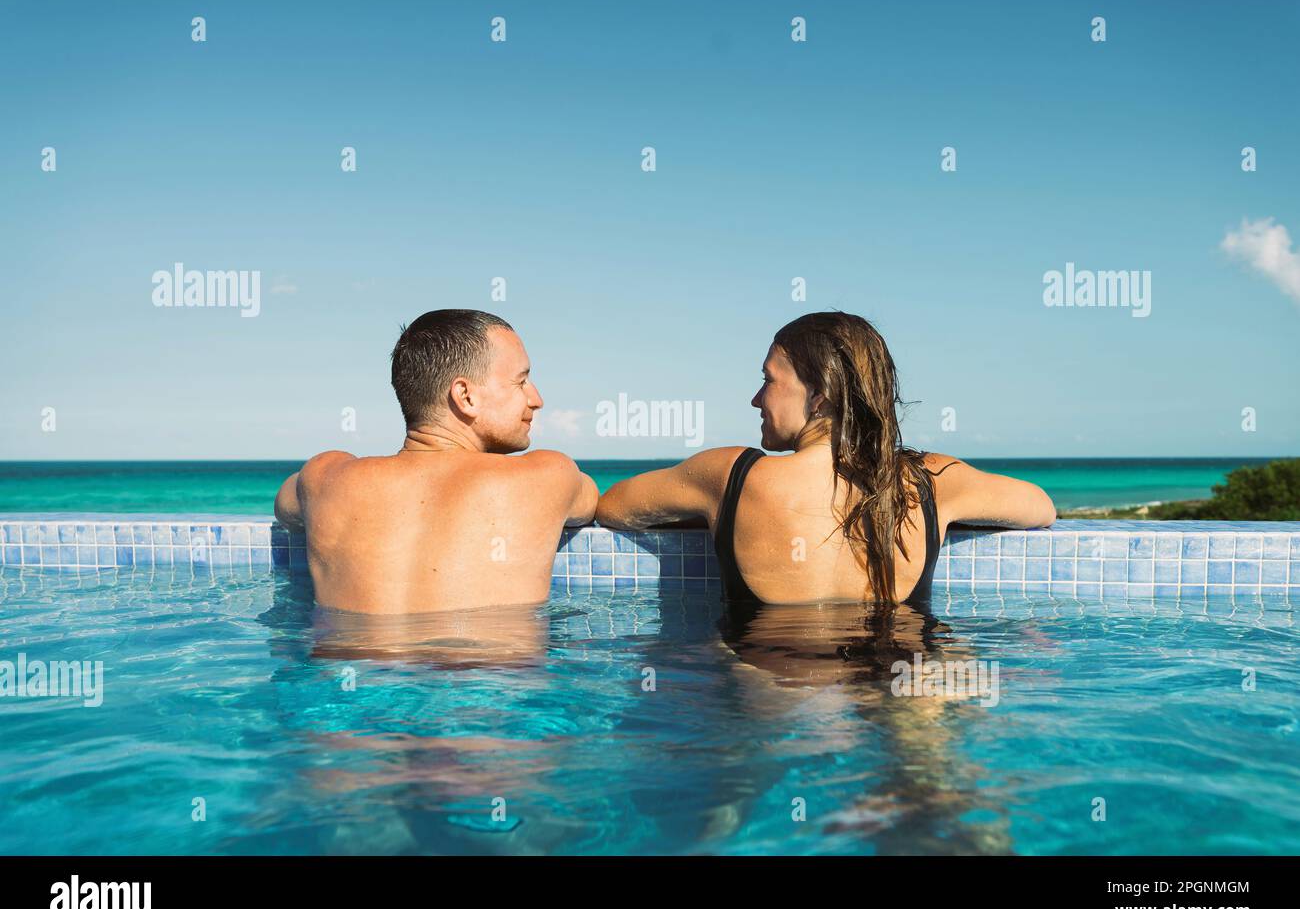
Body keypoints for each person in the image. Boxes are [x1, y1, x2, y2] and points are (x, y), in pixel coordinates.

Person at [595, 311, 1055, 607]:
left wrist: (708, 514)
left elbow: (614, 507)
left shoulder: (728, 476)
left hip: (769, 697)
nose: (756, 399)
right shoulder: (931, 480)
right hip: (898, 680)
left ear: (819, 395)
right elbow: (1039, 508)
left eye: (768, 380)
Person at [274, 309, 597, 614]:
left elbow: (287, 507)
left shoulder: (323, 476)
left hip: (349, 669)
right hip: (491, 673)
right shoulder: (547, 475)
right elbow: (603, 507)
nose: (535, 399)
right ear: (465, 396)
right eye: (521, 381)